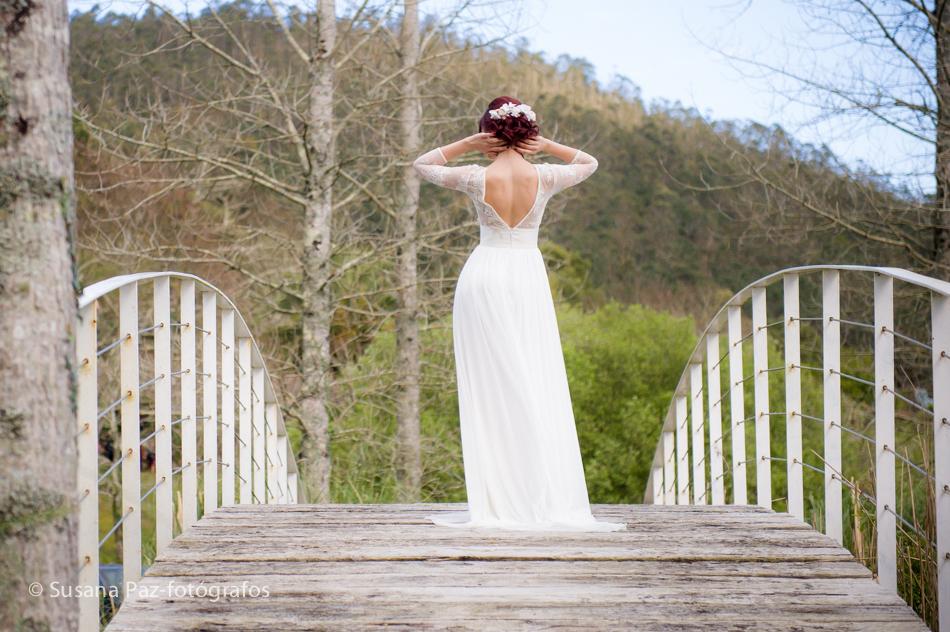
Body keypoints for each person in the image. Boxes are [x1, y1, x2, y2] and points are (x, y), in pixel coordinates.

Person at [412, 96, 626, 532]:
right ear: (528, 133)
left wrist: (468, 144)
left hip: (484, 275)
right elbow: (589, 163)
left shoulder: (476, 177)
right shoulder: (544, 177)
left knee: (491, 388)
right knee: (535, 377)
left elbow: (423, 165)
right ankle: (533, 492)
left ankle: (498, 499)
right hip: (527, 277)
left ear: (488, 132)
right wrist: (546, 146)